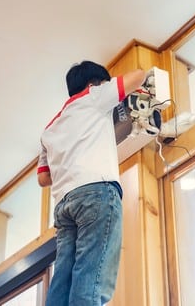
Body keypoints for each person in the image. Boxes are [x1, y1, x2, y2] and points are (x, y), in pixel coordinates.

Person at [37, 60, 145, 305]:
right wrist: (108, 88)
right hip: (96, 193)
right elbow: (138, 75)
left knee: (63, 281)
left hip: (63, 204)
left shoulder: (49, 128)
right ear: (93, 83)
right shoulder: (94, 95)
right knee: (91, 279)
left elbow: (43, 178)